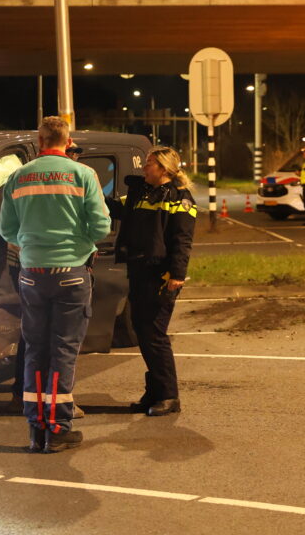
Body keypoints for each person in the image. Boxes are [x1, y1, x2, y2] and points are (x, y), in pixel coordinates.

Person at [0, 117, 110, 453]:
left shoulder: (18, 176)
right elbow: (101, 227)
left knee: (35, 350)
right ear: (68, 140)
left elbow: (6, 229)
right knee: (63, 351)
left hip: (32, 273)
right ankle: (58, 428)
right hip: (71, 273)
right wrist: (80, 245)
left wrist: (32, 245)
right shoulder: (82, 175)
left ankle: (36, 428)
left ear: (40, 140)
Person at [108, 146, 196, 416]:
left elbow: (182, 240)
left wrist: (176, 276)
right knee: (143, 332)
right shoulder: (139, 193)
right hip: (138, 270)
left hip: (161, 274)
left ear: (164, 169)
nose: (144, 168)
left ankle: (169, 396)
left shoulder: (180, 198)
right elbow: (114, 208)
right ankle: (155, 391)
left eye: (149, 164)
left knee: (154, 334)